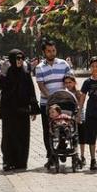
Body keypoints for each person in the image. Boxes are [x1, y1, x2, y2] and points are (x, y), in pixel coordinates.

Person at [0, 49, 38, 172]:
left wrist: (34, 109)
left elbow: (31, 92)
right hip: (8, 111)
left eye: (22, 58)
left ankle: (21, 162)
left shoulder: (26, 75)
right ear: (11, 60)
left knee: (23, 137)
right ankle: (8, 161)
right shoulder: (5, 76)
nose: (20, 61)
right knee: (8, 137)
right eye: (17, 58)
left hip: (23, 111)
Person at [35, 40, 71, 169]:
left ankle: (62, 147)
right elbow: (41, 85)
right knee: (48, 130)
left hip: (62, 103)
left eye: (53, 50)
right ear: (44, 52)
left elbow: (69, 81)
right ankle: (51, 155)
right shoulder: (39, 67)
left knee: (63, 126)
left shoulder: (64, 64)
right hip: (47, 103)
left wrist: (72, 91)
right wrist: (51, 98)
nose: (52, 53)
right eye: (49, 51)